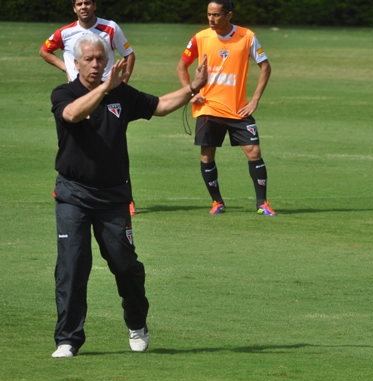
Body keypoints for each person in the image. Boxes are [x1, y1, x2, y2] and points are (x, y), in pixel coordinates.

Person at [50, 33, 207, 358]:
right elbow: (72, 115)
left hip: (113, 197)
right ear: (76, 63)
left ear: (108, 61)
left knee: (125, 266)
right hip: (73, 195)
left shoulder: (121, 93)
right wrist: (104, 89)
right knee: (72, 266)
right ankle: (68, 340)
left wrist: (193, 87)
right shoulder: (64, 93)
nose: (95, 65)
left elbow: (160, 106)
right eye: (89, 60)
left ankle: (137, 324)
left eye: (100, 59)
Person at [176, 0, 276, 216]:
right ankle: (217, 202)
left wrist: (255, 100)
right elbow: (182, 65)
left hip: (238, 110)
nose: (211, 19)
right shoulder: (200, 37)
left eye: (216, 15)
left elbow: (265, 67)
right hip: (208, 108)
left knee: (254, 152)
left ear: (228, 15)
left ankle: (262, 203)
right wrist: (191, 92)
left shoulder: (247, 36)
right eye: (209, 14)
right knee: (207, 156)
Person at [40, 0, 138, 216]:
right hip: (77, 96)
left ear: (95, 5)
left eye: (87, 2)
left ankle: (127, 197)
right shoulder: (64, 33)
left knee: (114, 143)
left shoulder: (110, 28)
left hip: (107, 94)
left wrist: (125, 79)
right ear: (74, 8)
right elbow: (44, 51)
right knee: (72, 143)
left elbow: (129, 54)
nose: (83, 7)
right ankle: (66, 186)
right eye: (78, 4)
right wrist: (65, 67)